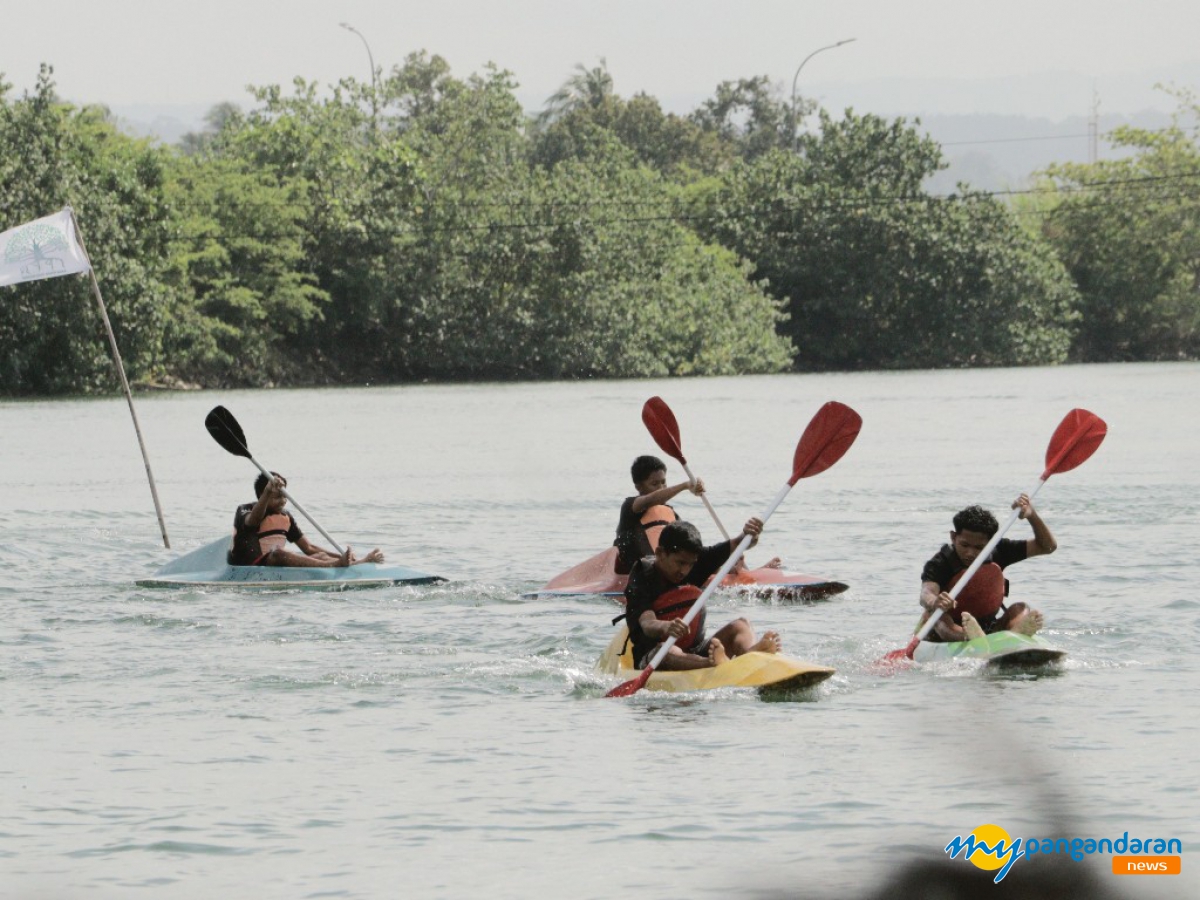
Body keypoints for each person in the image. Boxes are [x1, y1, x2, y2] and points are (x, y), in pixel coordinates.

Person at [622, 519, 782, 671]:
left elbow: (739, 544)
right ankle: (714, 664)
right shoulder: (642, 576)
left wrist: (749, 534)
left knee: (741, 625)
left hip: (693, 651)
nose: (685, 571)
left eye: (691, 564)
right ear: (660, 553)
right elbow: (647, 623)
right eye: (680, 563)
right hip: (654, 657)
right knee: (664, 650)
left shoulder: (694, 559)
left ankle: (750, 654)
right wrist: (666, 626)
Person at [917, 494, 1056, 642]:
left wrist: (1031, 515)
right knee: (937, 615)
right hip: (947, 632)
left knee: (1020, 608)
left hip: (986, 627)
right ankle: (969, 638)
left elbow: (1047, 546)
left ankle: (1013, 636)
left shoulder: (999, 550)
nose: (970, 553)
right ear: (953, 537)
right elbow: (926, 593)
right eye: (964, 545)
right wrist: (934, 601)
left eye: (978, 548)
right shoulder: (940, 562)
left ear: (991, 542)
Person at [229, 472, 384, 568]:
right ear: (264, 495)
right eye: (277, 497)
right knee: (279, 554)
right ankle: (336, 565)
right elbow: (253, 521)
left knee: (320, 556)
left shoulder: (285, 517)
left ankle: (355, 563)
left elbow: (308, 548)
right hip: (247, 567)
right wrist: (269, 489)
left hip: (272, 565)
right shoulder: (245, 509)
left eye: (284, 496)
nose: (283, 501)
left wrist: (344, 556)